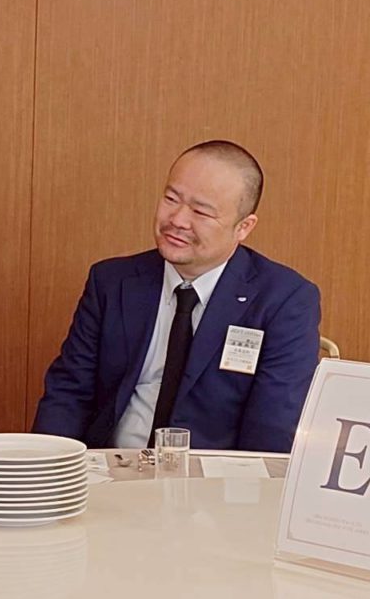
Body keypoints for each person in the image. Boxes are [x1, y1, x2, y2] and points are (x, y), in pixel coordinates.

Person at [32, 140, 320, 452]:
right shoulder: (112, 282)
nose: (178, 220)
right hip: (111, 467)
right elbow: (68, 393)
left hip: (215, 476)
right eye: (171, 199)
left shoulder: (284, 300)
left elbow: (273, 426)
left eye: (201, 211)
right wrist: (52, 469)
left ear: (243, 227)